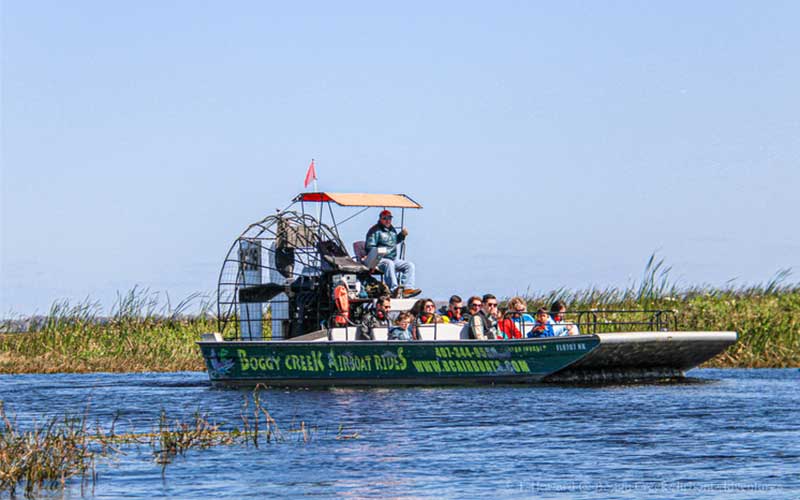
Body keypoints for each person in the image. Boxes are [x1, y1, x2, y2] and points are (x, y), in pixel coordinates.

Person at [365, 209, 421, 298]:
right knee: (389, 263)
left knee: (409, 265)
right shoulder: (374, 231)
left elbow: (394, 242)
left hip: (393, 259)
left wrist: (402, 235)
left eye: (389, 218)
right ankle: (394, 289)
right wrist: (379, 252)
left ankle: (407, 289)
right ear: (380, 219)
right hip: (379, 259)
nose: (387, 220)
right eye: (385, 218)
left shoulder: (392, 230)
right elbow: (369, 246)